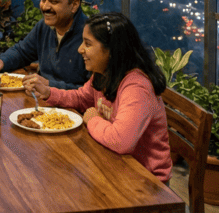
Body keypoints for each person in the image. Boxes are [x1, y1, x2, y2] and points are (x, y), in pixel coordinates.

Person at [23, 12, 172, 183]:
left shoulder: (137, 87)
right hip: (114, 164)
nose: (80, 49)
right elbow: (81, 98)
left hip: (147, 182)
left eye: (88, 44)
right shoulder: (104, 73)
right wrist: (49, 92)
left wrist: (92, 119)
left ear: (112, 50)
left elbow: (120, 141)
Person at [0, 0, 89, 89]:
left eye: (53, 1)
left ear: (74, 5)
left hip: (70, 106)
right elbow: (22, 52)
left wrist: (48, 86)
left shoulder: (91, 36)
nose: (45, 7)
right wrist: (2, 61)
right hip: (39, 99)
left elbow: (91, 93)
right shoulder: (44, 26)